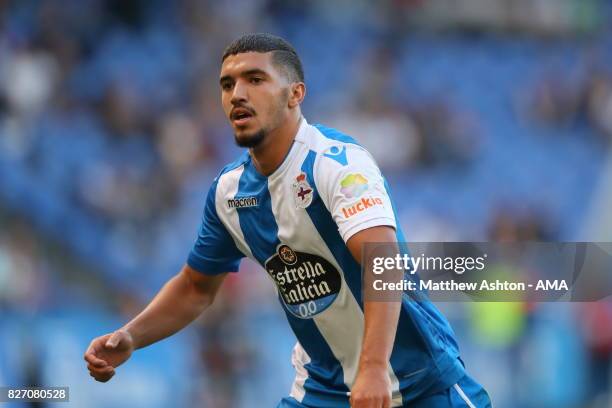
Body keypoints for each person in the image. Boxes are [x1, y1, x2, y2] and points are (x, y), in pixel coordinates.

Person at [84, 33, 491, 408]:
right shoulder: (229, 193)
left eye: (255, 80)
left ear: (295, 93)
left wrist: (371, 369)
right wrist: (133, 336)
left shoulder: (337, 164)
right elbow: (195, 287)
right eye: (227, 85)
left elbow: (383, 263)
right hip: (324, 390)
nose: (237, 95)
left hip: (418, 382)